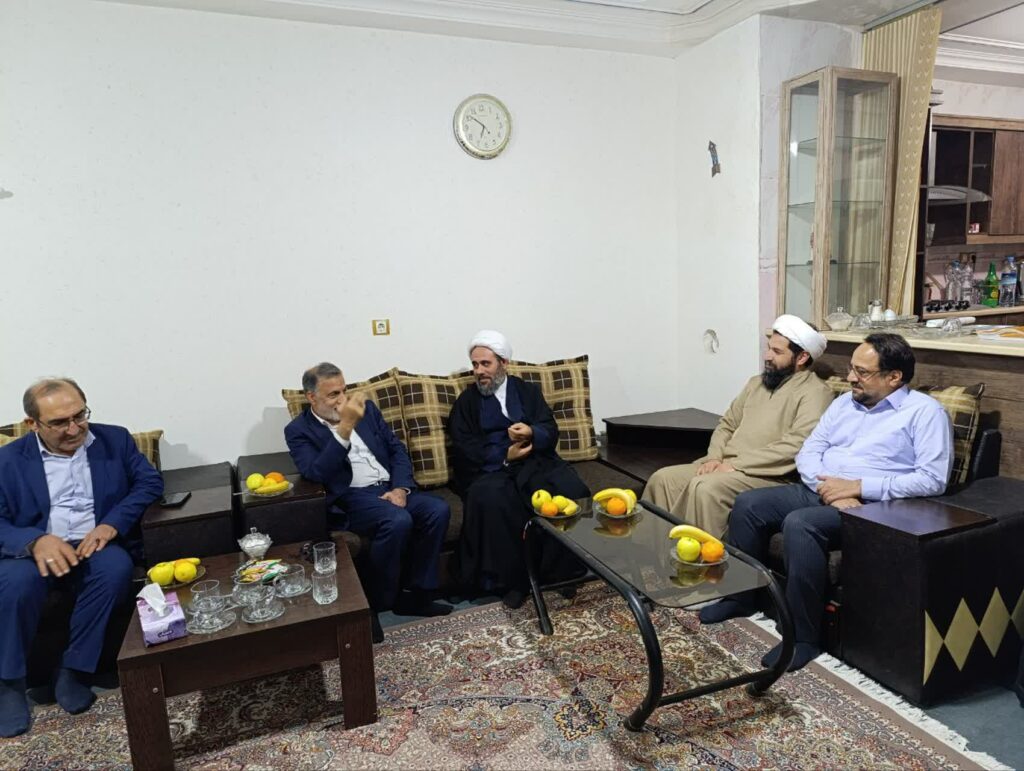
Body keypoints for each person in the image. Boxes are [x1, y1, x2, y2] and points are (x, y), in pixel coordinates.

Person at [699, 333, 953, 672]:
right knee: (748, 505)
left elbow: (933, 479)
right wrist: (828, 488)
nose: (851, 378)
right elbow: (809, 451)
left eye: (862, 372)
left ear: (894, 377)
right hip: (822, 488)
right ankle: (740, 596)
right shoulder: (845, 403)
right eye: (851, 368)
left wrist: (859, 487)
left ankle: (803, 638)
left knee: (801, 524)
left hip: (874, 504)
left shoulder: (925, 413)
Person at [0, 378, 163, 737]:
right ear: (32, 424)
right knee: (16, 583)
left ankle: (74, 669)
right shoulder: (7, 460)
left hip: (95, 544)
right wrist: (35, 541)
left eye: (80, 416)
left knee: (115, 569)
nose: (74, 429)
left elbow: (149, 483)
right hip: (31, 552)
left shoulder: (114, 439)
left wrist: (111, 524)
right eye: (60, 422)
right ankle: (9, 683)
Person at [285, 362, 452, 642]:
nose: (342, 399)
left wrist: (400, 488)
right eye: (333, 394)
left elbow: (396, 449)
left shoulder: (368, 410)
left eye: (344, 390)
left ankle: (417, 594)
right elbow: (315, 472)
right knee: (397, 520)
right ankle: (373, 603)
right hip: (352, 496)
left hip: (388, 487)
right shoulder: (298, 430)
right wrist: (345, 428)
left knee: (437, 510)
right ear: (311, 397)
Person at [644, 315, 834, 538]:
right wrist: (714, 457)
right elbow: (727, 424)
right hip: (725, 463)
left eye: (777, 351)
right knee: (663, 479)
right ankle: (656, 555)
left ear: (802, 357)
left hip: (766, 474)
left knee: (705, 488)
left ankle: (701, 557)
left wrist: (736, 465)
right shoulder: (756, 383)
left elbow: (796, 445)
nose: (767, 356)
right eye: (768, 348)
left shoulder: (816, 392)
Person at [448, 330, 589, 608]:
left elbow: (550, 428)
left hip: (537, 461)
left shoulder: (527, 391)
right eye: (475, 365)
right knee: (494, 500)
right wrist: (506, 455)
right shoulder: (467, 402)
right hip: (494, 468)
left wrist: (532, 432)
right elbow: (465, 447)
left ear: (504, 363)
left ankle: (560, 573)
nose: (479, 371)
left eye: (485, 364)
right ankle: (514, 582)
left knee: (573, 491)